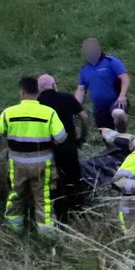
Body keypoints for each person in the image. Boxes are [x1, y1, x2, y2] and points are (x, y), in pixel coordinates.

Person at [0, 75, 67, 235]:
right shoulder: (49, 113)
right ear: (37, 92)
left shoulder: (10, 113)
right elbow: (61, 138)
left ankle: (15, 233)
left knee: (15, 197)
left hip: (18, 166)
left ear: (22, 92)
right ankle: (47, 238)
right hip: (43, 166)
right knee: (44, 200)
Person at [36, 73, 87, 220]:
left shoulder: (37, 104)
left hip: (47, 149)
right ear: (54, 86)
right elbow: (84, 117)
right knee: (74, 178)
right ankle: (79, 212)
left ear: (39, 89)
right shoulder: (67, 98)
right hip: (69, 146)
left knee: (54, 182)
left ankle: (60, 215)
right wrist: (82, 137)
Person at [75, 38, 131, 131]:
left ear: (98, 49)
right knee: (105, 131)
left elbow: (125, 78)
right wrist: (76, 107)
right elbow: (81, 90)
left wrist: (122, 96)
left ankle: (122, 134)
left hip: (116, 101)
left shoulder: (110, 62)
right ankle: (111, 144)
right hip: (99, 107)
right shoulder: (84, 69)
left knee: (118, 113)